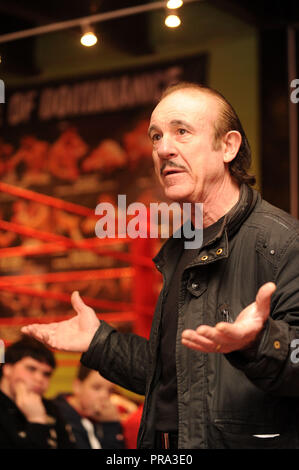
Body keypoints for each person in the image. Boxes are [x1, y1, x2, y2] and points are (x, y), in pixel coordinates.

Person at [22, 82, 299, 449]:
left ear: (227, 146)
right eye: (155, 136)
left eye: (182, 132)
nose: (163, 149)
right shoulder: (182, 246)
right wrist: (99, 343)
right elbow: (177, 379)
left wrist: (258, 343)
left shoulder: (285, 242)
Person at [0, 336, 76, 449]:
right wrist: (36, 421)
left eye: (47, 374)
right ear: (8, 369)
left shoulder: (50, 408)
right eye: (31, 369)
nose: (39, 379)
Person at [53, 364, 125, 449]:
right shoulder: (57, 416)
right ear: (77, 386)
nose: (105, 396)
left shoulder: (101, 416)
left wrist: (111, 424)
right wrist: (110, 426)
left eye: (110, 390)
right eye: (96, 388)